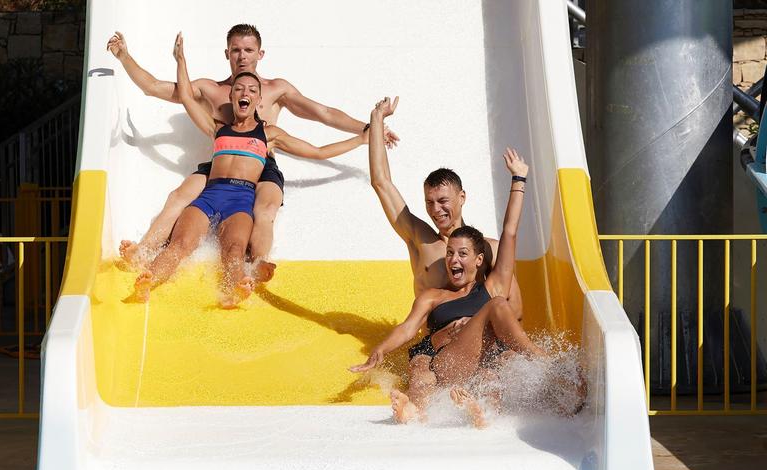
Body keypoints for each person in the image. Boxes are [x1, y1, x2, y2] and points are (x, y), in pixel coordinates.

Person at [107, 24, 398, 279]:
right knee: (180, 195)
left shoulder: (276, 89)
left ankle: (258, 263)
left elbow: (322, 113)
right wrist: (124, 56)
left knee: (265, 208)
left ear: (260, 54)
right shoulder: (212, 89)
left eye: (248, 49)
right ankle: (144, 250)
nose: (242, 56)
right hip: (222, 165)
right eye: (235, 50)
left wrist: (367, 129)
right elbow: (154, 88)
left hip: (264, 162)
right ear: (227, 54)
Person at [350, 148, 544, 427]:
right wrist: (381, 348)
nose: (452, 260)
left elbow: (510, 232)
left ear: (479, 260)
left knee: (494, 366)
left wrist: (519, 179)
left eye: (461, 254)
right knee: (421, 367)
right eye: (449, 253)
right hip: (440, 354)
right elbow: (408, 329)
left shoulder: (490, 286)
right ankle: (416, 410)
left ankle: (482, 410)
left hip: (475, 354)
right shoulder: (433, 294)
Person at [366, 97, 525, 393]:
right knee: (423, 375)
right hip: (436, 343)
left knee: (499, 367)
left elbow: (512, 308)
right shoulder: (421, 239)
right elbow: (381, 182)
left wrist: (475, 325)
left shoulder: (486, 249)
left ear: (461, 198)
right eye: (429, 202)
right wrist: (377, 119)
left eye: (443, 201)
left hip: (478, 340)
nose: (436, 209)